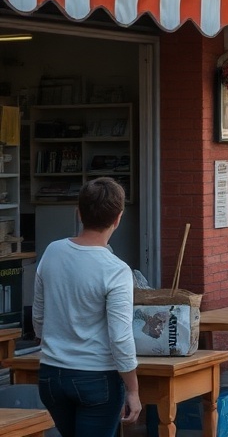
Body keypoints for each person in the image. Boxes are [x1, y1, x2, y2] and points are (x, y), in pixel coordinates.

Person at [33, 177, 141, 437]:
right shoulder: (116, 270)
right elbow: (120, 337)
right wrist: (133, 390)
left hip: (51, 375)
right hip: (97, 378)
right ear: (118, 218)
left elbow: (38, 318)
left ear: (78, 213)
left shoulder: (52, 252)